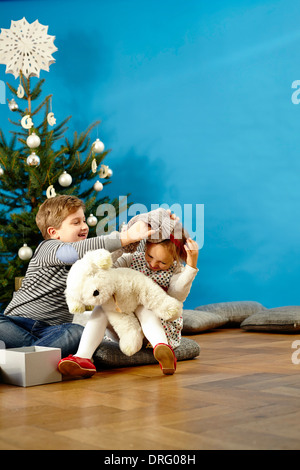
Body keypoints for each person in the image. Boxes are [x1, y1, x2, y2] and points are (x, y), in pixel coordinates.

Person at [0, 195, 155, 357]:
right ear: (54, 232)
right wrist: (124, 238)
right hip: (17, 324)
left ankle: (23, 358)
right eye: (76, 222)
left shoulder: (88, 264)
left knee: (78, 332)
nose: (84, 226)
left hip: (52, 332)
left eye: (84, 220)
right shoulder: (48, 248)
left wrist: (144, 234)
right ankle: (34, 357)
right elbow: (75, 252)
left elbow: (109, 262)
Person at [58, 223, 199, 377]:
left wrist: (191, 266)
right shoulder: (132, 259)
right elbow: (106, 268)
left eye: (162, 262)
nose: (153, 264)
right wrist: (123, 244)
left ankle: (162, 348)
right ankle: (83, 357)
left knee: (144, 307)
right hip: (123, 327)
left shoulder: (177, 271)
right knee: (102, 308)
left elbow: (177, 295)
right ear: (146, 246)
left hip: (154, 332)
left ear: (175, 258)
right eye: (150, 256)